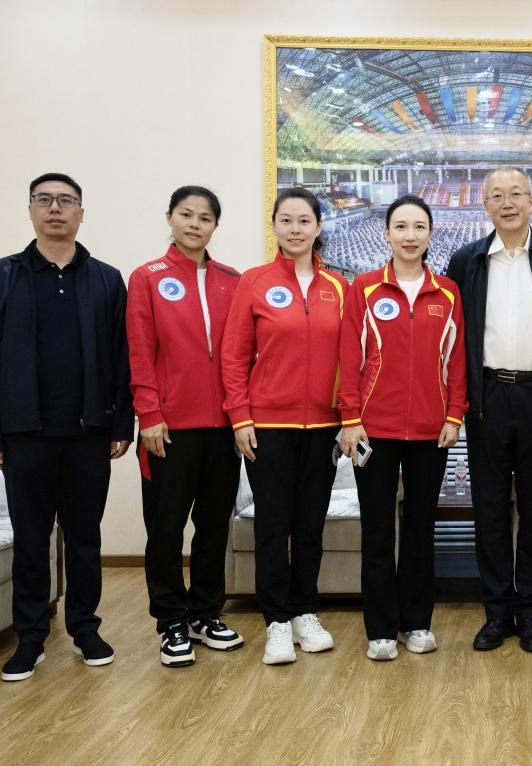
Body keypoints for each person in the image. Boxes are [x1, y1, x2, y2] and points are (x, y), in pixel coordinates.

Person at [0, 172, 133, 681]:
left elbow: (122, 358)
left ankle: (85, 629)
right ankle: (30, 637)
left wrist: (121, 423)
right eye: (45, 200)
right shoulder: (0, 276)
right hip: (25, 435)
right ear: (31, 210)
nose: (55, 208)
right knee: (31, 539)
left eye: (66, 201)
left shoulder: (106, 279)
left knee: (84, 538)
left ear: (82, 212)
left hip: (89, 434)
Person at [446, 167, 532, 653]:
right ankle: (497, 613)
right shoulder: (466, 261)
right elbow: (453, 337)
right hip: (486, 398)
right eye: (497, 196)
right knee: (490, 510)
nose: (507, 203)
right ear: (485, 205)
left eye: (516, 194)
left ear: (531, 201)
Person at [338, 195, 467, 661]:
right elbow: (349, 357)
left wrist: (454, 416)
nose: (410, 236)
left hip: (431, 432)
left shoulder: (448, 292)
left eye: (418, 227)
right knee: (377, 531)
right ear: (387, 233)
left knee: (419, 529)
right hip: (373, 431)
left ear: (430, 234)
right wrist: (350, 419)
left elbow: (457, 361)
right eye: (401, 227)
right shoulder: (365, 288)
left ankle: (417, 622)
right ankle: (380, 629)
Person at [220, 187, 346, 665]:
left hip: (323, 428)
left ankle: (305, 612)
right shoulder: (254, 282)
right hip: (267, 426)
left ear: (318, 227)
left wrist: (348, 419)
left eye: (304, 221)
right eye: (286, 221)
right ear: (274, 226)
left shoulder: (339, 287)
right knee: (273, 525)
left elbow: (351, 359)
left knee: (310, 525)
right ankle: (276, 620)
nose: (295, 229)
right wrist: (240, 417)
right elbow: (234, 356)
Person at [127, 186, 244, 668]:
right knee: (165, 529)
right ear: (170, 218)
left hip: (224, 427)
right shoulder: (147, 278)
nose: (195, 224)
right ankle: (171, 620)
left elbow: (241, 354)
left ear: (215, 225)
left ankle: (206, 613)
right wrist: (149, 416)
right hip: (168, 429)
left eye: (205, 217)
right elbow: (139, 353)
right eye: (186, 215)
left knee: (214, 527)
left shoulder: (233, 280)